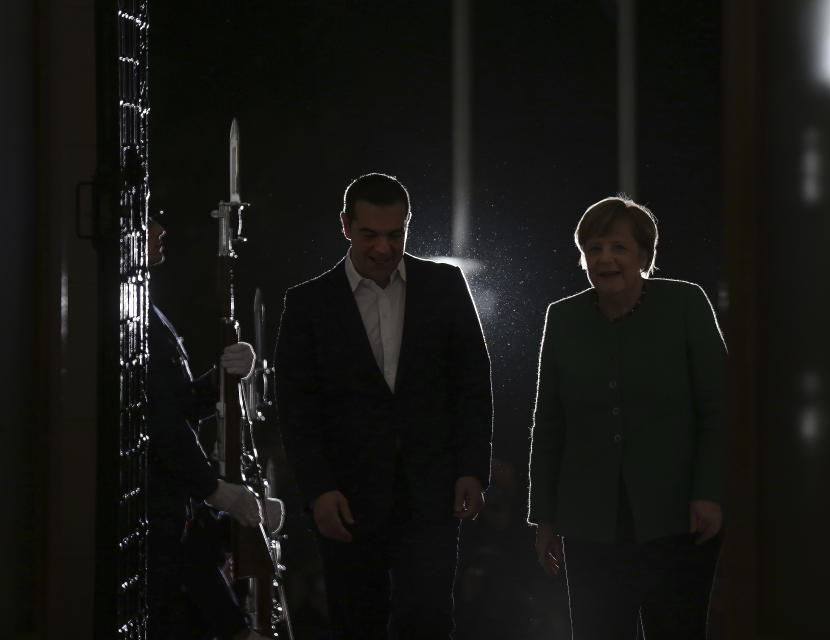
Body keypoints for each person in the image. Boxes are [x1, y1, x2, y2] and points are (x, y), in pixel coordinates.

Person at [274, 172, 493, 639]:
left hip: (430, 488)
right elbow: (296, 409)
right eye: (370, 234)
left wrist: (472, 468)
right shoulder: (308, 304)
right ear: (346, 226)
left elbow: (472, 384)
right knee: (356, 621)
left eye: (396, 235)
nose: (384, 248)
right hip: (347, 494)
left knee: (429, 619)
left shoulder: (445, 285)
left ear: (408, 226)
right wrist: (318, 489)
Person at [527, 196, 726, 639]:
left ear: (645, 256)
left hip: (678, 518)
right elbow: (550, 424)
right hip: (588, 521)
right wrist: (544, 517)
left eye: (618, 247)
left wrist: (710, 492)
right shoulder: (562, 318)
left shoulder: (685, 304)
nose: (605, 258)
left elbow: (720, 409)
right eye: (594, 248)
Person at [147, 216, 278, 640]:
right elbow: (160, 421)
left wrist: (222, 376)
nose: (159, 229)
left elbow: (177, 404)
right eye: (149, 221)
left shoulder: (145, 308)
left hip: (170, 508)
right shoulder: (129, 311)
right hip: (156, 515)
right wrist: (214, 489)